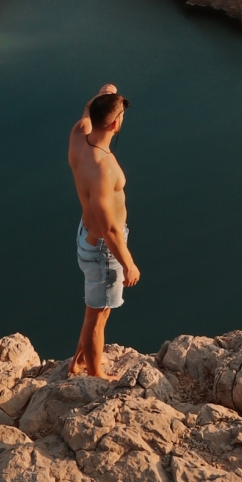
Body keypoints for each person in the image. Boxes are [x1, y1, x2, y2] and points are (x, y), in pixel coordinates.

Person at [67, 83, 141, 378]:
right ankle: (95, 375)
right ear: (114, 123)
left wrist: (100, 97)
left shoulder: (77, 138)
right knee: (96, 318)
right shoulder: (103, 166)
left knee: (97, 309)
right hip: (103, 249)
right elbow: (109, 227)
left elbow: (88, 112)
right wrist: (129, 264)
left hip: (89, 237)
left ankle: (79, 361)